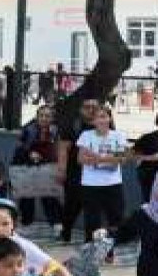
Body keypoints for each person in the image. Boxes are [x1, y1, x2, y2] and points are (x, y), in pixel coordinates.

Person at [75, 104, 129, 241]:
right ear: (92, 121)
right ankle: (91, 247)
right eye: (97, 117)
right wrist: (105, 160)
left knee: (116, 217)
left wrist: (97, 158)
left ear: (110, 118)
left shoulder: (118, 136)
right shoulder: (86, 135)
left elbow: (121, 159)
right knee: (92, 219)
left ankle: (111, 247)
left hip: (113, 183)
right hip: (90, 184)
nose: (101, 120)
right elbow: (81, 158)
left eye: (104, 116)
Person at [54, 99, 97, 244]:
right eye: (87, 107)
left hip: (96, 172)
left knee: (92, 205)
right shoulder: (73, 125)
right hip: (75, 171)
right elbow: (63, 149)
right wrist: (61, 170)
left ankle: (89, 239)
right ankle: (66, 232)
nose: (91, 110)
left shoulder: (104, 124)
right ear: (80, 109)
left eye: (94, 107)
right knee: (72, 205)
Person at [13, 105, 62, 231]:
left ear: (52, 118)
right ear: (37, 116)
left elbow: (58, 149)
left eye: (48, 116)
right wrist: (30, 153)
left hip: (47, 166)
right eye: (41, 115)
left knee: (49, 196)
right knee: (27, 197)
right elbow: (19, 148)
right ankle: (26, 223)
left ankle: (57, 224)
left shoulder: (56, 131)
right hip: (26, 166)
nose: (44, 118)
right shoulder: (28, 129)